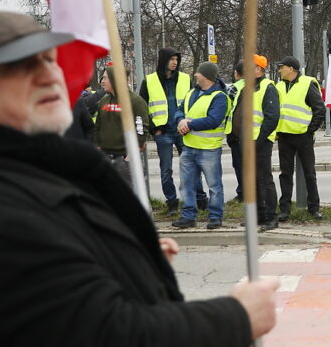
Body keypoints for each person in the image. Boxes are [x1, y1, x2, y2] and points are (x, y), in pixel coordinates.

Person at [0, 10, 278, 347]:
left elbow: (59, 268)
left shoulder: (31, 168)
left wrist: (121, 256)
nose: (47, 75)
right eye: (17, 67)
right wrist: (235, 319)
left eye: (47, 60)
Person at [141, 47, 204, 215]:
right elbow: (142, 107)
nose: (175, 62)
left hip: (183, 130)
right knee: (166, 170)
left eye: (177, 59)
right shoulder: (149, 81)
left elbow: (193, 103)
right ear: (163, 60)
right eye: (171, 59)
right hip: (163, 133)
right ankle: (172, 203)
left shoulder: (184, 79)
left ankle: (200, 199)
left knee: (192, 166)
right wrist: (154, 130)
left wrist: (190, 124)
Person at [172, 62, 229, 230]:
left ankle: (215, 216)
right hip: (189, 147)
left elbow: (213, 120)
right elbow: (179, 110)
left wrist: (188, 124)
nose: (195, 75)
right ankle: (188, 216)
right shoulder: (191, 93)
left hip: (209, 148)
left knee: (214, 185)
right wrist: (181, 120)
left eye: (198, 73)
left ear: (207, 76)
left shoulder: (220, 97)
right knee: (187, 184)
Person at [228, 55, 280, 231]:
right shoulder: (246, 88)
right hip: (245, 141)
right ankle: (258, 216)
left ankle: (272, 218)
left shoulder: (268, 87)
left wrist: (260, 139)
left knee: (265, 180)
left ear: (259, 69)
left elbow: (272, 117)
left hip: (260, 142)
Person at [274, 55, 326, 221]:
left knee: (309, 174)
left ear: (291, 69)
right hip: (284, 136)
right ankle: (285, 210)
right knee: (285, 174)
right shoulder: (279, 86)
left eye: (282, 67)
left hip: (303, 136)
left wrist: (310, 130)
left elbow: (319, 109)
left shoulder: (307, 83)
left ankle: (314, 208)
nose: (280, 70)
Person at [91, 66, 151, 186]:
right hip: (106, 159)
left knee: (130, 199)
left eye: (105, 78)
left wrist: (128, 158)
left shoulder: (135, 101)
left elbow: (141, 130)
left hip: (127, 159)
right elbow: (98, 127)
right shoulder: (104, 101)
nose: (102, 81)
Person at [225, 61, 246, 201]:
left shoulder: (234, 88)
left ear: (236, 74)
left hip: (236, 133)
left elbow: (227, 109)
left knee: (239, 164)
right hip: (254, 132)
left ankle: (242, 193)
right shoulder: (259, 85)